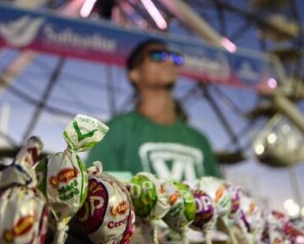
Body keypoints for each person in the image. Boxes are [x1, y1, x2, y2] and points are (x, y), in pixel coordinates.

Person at [87, 39, 219, 181]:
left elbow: (219, 196)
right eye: (157, 56)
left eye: (175, 58)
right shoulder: (114, 132)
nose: (169, 61)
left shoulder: (200, 141)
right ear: (134, 74)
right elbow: (98, 193)